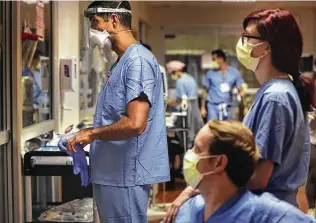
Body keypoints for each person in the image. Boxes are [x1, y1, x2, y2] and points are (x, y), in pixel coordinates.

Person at [164, 8, 315, 222]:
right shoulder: (272, 91)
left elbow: (257, 178)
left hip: (262, 210)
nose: (241, 42)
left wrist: (201, 185)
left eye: (247, 37)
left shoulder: (276, 97)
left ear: (265, 48)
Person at [67, 1, 170, 222]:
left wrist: (93, 134)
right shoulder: (121, 61)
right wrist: (88, 131)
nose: (92, 30)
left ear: (114, 19)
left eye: (95, 22)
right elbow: (115, 116)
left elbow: (135, 123)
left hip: (125, 174)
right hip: (112, 172)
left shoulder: (138, 61)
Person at [173, 120, 316, 223]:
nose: (189, 155)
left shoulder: (266, 214)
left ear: (219, 162)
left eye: (197, 149)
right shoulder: (189, 209)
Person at [166, 60, 204, 147]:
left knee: (181, 134)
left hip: (187, 113)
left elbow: (181, 100)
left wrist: (169, 102)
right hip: (194, 112)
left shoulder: (180, 82)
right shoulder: (191, 78)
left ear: (176, 71)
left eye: (172, 73)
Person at [201, 49, 247, 121]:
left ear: (221, 59)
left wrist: (245, 107)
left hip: (228, 107)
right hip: (213, 106)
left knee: (227, 128)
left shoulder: (234, 73)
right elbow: (204, 91)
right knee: (213, 128)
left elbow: (241, 90)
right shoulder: (210, 74)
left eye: (214, 59)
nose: (212, 62)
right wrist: (203, 107)